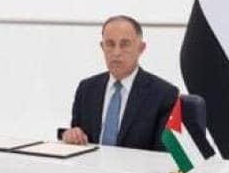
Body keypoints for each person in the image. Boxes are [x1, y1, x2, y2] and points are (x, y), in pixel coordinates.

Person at [60, 15, 177, 151]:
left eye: (124, 44)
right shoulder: (87, 89)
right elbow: (77, 136)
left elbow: (164, 155)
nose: (116, 52)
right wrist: (71, 135)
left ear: (141, 48)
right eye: (110, 44)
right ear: (102, 47)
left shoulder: (164, 95)